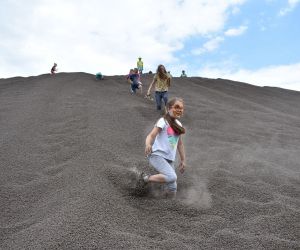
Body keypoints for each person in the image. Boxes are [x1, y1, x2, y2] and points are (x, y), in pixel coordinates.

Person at [140, 97, 186, 198]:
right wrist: (148, 144)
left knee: (173, 188)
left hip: (169, 159)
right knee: (172, 176)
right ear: (169, 108)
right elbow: (151, 135)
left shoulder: (179, 124)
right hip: (157, 155)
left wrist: (183, 160)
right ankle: (145, 179)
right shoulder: (163, 121)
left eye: (181, 108)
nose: (179, 110)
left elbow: (180, 144)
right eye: (177, 107)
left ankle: (166, 205)